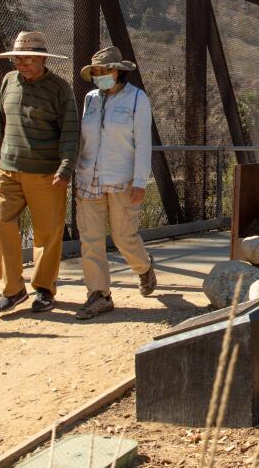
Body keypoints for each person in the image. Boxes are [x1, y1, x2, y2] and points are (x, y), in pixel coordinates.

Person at [0, 31, 79, 314]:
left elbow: (71, 132)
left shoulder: (60, 88)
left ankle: (44, 289)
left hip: (45, 174)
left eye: (27, 58)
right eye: (17, 58)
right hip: (8, 170)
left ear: (42, 58)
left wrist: (65, 168)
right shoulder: (8, 82)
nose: (21, 63)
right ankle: (13, 290)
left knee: (47, 234)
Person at [73, 46, 158, 319]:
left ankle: (144, 267)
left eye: (104, 71)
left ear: (118, 71)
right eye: (95, 72)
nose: (100, 76)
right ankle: (99, 295)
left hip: (122, 180)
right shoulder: (90, 99)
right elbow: (84, 139)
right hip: (89, 180)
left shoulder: (137, 99)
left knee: (123, 237)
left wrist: (140, 180)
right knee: (90, 240)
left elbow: (144, 142)